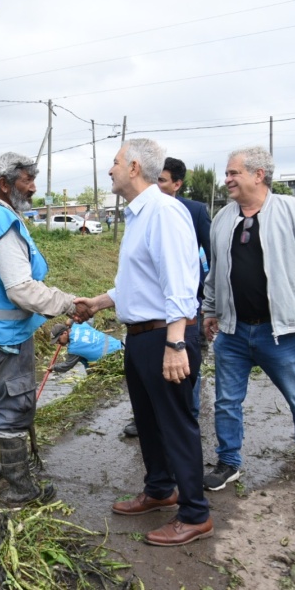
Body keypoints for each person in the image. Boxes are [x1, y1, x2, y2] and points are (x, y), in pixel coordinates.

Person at [74, 138, 212, 547]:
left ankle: (195, 514)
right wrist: (99, 302)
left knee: (176, 423)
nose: (110, 170)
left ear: (134, 167)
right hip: (140, 336)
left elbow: (182, 285)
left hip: (164, 336)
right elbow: (137, 282)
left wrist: (175, 345)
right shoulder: (138, 215)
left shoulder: (165, 213)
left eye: (115, 163)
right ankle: (159, 489)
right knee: (148, 421)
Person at [202, 146, 295, 495]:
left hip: (281, 333)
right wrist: (211, 309)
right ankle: (228, 462)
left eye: (233, 173)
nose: (227, 179)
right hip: (233, 331)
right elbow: (215, 271)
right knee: (226, 402)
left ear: (258, 175)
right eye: (228, 173)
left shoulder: (294, 213)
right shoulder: (222, 218)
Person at [0, 151, 82, 506]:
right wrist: (68, 303)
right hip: (5, 337)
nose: (33, 188)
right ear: (4, 184)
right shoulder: (5, 225)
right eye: (27, 180)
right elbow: (21, 290)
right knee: (15, 406)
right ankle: (20, 489)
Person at [123, 156, 211, 438]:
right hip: (150, 318)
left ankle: (187, 420)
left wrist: (207, 303)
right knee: (152, 391)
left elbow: (209, 258)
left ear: (177, 184)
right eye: (156, 179)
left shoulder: (190, 211)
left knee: (180, 383)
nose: (156, 185)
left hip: (182, 314)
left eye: (162, 180)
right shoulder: (140, 212)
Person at [48, 320, 123, 374]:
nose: (58, 343)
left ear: (64, 333)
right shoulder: (79, 325)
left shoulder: (73, 348)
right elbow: (89, 318)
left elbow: (66, 366)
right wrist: (71, 321)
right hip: (119, 346)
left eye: (58, 340)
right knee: (85, 359)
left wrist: (53, 367)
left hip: (112, 360)